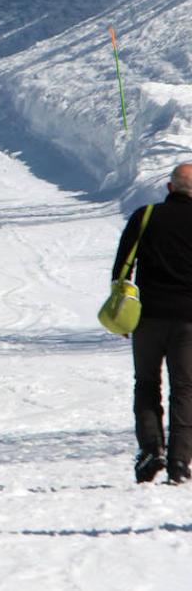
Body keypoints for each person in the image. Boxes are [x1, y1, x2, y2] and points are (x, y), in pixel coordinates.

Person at [114, 163, 192, 484]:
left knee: (146, 383)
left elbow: (122, 269)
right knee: (185, 389)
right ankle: (179, 463)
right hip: (190, 321)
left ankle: (150, 449)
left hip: (148, 318)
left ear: (170, 188)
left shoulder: (145, 217)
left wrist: (121, 312)